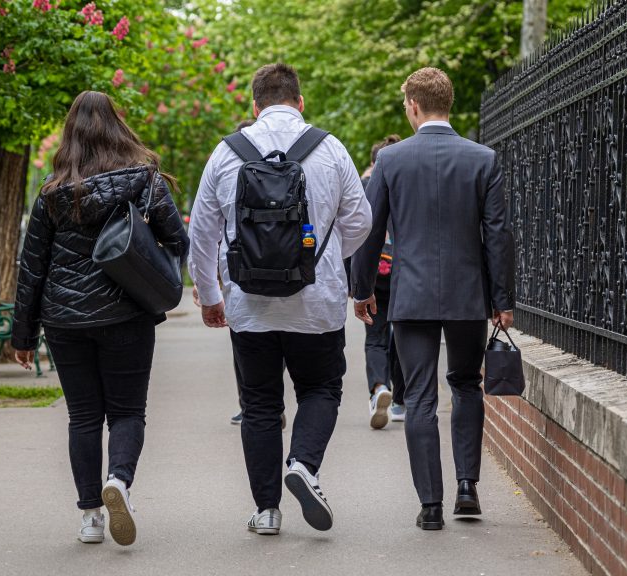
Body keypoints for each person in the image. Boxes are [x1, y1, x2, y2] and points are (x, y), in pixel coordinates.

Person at [188, 63, 371, 536]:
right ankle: (304, 466)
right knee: (322, 389)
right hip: (317, 302)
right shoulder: (330, 150)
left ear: (254, 105)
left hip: (249, 305)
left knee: (260, 405)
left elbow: (203, 234)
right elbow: (361, 222)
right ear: (300, 101)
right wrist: (325, 258)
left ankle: (267, 511)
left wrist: (211, 295)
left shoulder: (227, 154)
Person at [12, 91, 189, 546]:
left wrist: (24, 335)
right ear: (118, 129)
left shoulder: (51, 194)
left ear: (71, 135)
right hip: (126, 313)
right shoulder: (146, 183)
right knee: (128, 411)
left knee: (84, 417)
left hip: (65, 321)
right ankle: (120, 481)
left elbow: (32, 267)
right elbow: (178, 242)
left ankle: (91, 514)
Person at [351, 67, 515, 531]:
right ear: (449, 104)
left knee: (419, 396)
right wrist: (502, 298)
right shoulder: (483, 159)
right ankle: (467, 487)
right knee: (465, 384)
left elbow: (370, 230)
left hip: (412, 295)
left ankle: (431, 506)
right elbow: (498, 235)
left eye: (406, 105)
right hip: (468, 297)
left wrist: (361, 290)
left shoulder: (391, 161)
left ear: (415, 106)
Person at [358, 135, 406, 429]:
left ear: (374, 163)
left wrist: (357, 285)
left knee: (375, 337)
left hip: (375, 275)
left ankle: (379, 388)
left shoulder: (366, 189)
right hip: (405, 274)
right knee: (402, 336)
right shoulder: (412, 187)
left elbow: (358, 237)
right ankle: (400, 399)